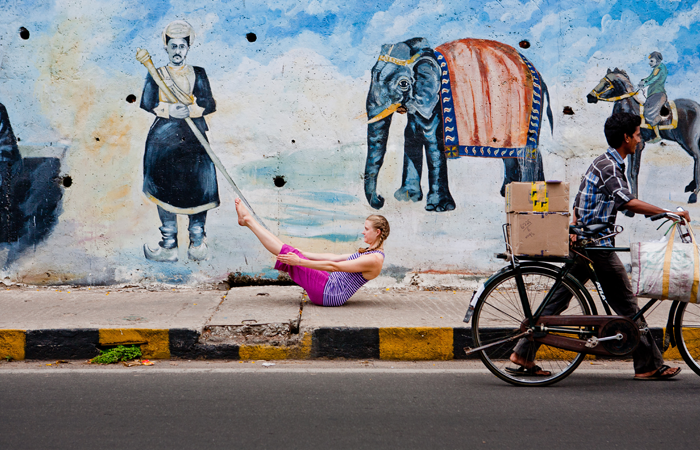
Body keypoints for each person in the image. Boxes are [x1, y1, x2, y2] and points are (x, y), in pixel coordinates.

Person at [509, 112, 689, 380]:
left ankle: (523, 352)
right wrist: (667, 213)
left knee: (558, 299)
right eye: (638, 135)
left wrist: (576, 228)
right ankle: (648, 365)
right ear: (626, 137)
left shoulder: (605, 162)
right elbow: (626, 202)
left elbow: (581, 202)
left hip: (584, 243)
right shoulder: (609, 167)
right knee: (628, 305)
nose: (640, 140)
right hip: (595, 246)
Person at [139, 20, 218, 262]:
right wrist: (168, 110)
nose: (177, 51)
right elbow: (147, 102)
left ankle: (197, 242)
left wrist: (192, 110)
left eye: (181, 47)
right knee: (164, 190)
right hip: (163, 142)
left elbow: (209, 104)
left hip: (194, 141)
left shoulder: (199, 73)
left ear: (188, 48)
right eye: (173, 46)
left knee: (199, 187)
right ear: (166, 48)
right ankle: (169, 246)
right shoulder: (157, 73)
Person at [235, 198, 389, 306]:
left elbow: (334, 267)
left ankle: (248, 221)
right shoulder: (370, 252)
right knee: (291, 251)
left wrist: (300, 261)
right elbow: (335, 258)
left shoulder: (374, 259)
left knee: (290, 254)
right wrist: (303, 253)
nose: (363, 232)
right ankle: (248, 221)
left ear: (377, 232)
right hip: (329, 285)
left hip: (329, 293)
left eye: (366, 229)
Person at [637, 51, 668, 144]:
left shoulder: (660, 68)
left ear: (657, 60)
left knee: (649, 112)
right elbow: (650, 77)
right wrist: (644, 81)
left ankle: (657, 136)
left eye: (651, 61)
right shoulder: (656, 68)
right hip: (653, 94)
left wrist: (645, 83)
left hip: (658, 94)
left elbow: (655, 78)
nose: (649, 63)